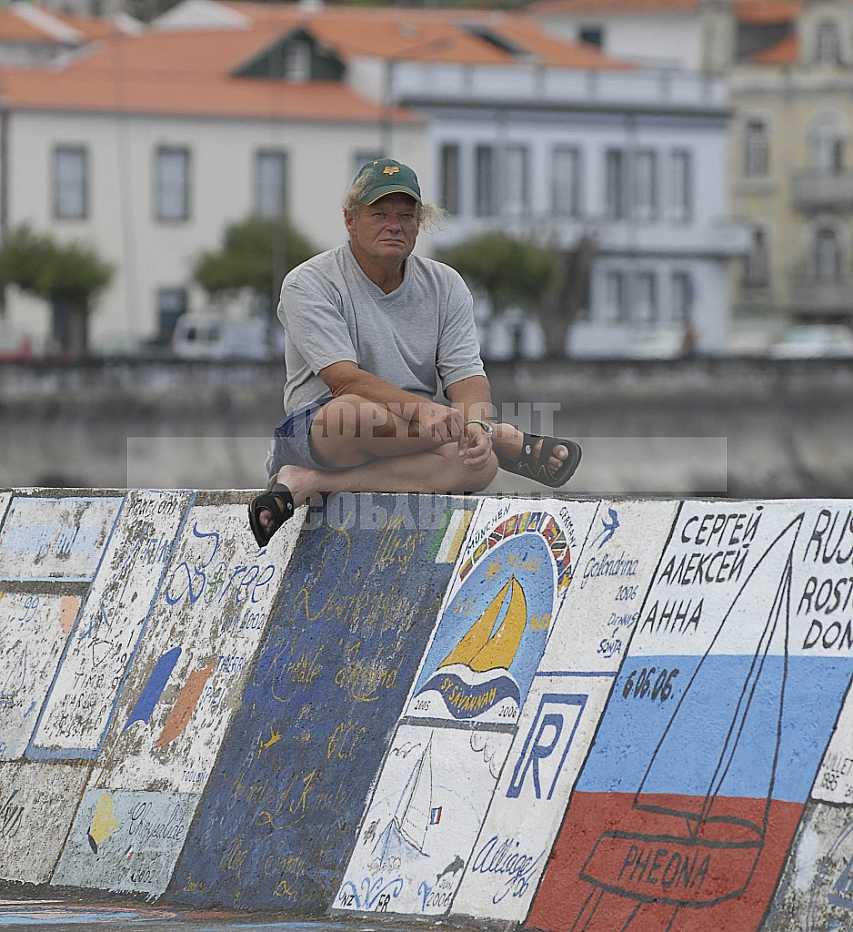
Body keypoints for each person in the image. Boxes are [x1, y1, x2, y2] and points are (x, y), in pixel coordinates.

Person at [249, 158, 581, 545]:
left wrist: (473, 422)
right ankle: (503, 437)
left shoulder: (446, 284)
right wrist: (434, 415)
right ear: (350, 220)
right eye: (380, 214)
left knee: (480, 466)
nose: (395, 225)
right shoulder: (308, 282)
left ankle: (312, 483)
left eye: (407, 216)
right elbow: (343, 381)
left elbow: (468, 377)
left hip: (415, 438)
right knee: (354, 413)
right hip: (327, 429)